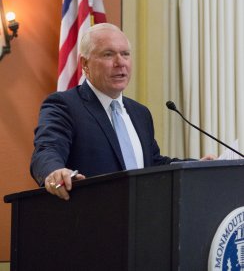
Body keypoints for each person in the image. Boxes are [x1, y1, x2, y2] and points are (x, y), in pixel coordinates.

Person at [30, 23, 214, 200]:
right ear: (85, 64)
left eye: (125, 54)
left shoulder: (140, 113)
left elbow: (152, 163)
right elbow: (47, 149)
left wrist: (195, 166)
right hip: (91, 219)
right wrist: (54, 172)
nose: (120, 63)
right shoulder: (65, 105)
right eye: (108, 54)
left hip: (141, 218)